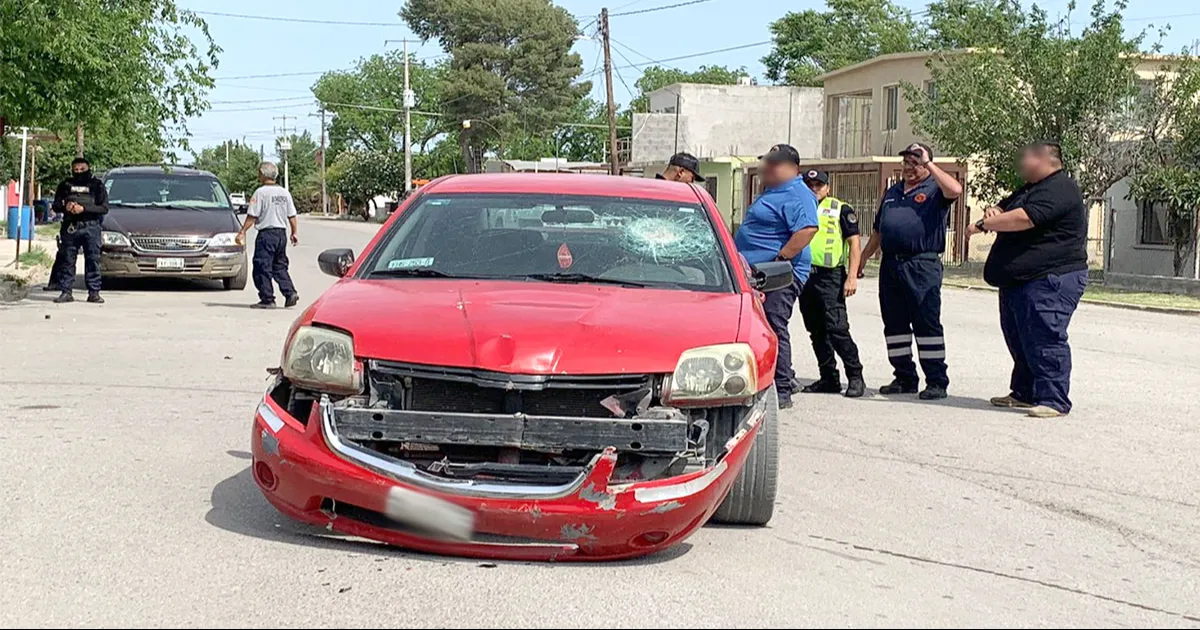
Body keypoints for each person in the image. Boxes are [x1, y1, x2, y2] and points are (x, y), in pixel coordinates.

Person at [968, 142, 1088, 419]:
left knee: (1045, 337)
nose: (1021, 163)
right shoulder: (1031, 189)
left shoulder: (1060, 187)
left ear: (1044, 159)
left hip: (1050, 279)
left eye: (1026, 158)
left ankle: (1053, 400)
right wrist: (993, 210)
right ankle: (1024, 392)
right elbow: (1004, 208)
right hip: (1019, 280)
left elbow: (1023, 218)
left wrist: (982, 225)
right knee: (1020, 338)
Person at [856, 142, 962, 400]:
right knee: (894, 324)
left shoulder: (936, 189)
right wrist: (862, 258)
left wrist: (928, 164)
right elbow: (879, 231)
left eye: (915, 163)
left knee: (926, 323)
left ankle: (936, 381)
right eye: (906, 162)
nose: (909, 168)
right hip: (891, 264)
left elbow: (956, 189)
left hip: (921, 264)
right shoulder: (892, 192)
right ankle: (904, 377)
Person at [734, 144, 819, 409]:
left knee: (773, 326)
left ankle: (782, 388)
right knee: (757, 327)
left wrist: (779, 260)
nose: (768, 168)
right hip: (757, 273)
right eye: (767, 162)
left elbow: (807, 230)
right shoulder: (773, 191)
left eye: (775, 163)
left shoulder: (796, 192)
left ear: (793, 168)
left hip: (778, 274)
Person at [796, 170, 866, 398]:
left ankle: (855, 376)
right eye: (810, 184)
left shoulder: (840, 209)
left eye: (819, 185)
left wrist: (852, 276)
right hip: (806, 276)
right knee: (816, 330)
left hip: (831, 276)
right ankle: (828, 377)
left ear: (827, 187)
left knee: (837, 328)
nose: (814, 188)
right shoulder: (798, 207)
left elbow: (854, 244)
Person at [236, 162, 299, 309]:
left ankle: (267, 298)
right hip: (281, 235)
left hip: (267, 235)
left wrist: (242, 231)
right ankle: (290, 293)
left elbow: (252, 215)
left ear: (263, 174)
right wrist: (294, 232)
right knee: (279, 266)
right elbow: (292, 215)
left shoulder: (260, 193)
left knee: (261, 266)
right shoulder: (284, 193)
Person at [51, 157, 108, 304]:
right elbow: (56, 205)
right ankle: (66, 292)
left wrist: (84, 209)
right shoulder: (65, 185)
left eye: (82, 169)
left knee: (93, 260)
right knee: (67, 260)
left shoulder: (97, 185)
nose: (79, 172)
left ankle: (94, 293)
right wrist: (66, 207)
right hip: (71, 227)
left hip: (91, 226)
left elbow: (103, 208)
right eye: (75, 170)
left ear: (88, 169)